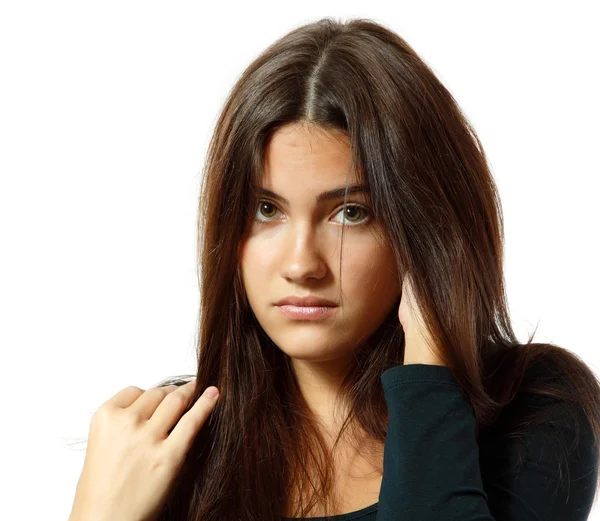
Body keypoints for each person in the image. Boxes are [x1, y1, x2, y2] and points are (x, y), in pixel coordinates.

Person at [67, 16, 600, 521]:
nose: (302, 264)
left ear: (426, 226)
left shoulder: (536, 410)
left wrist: (430, 372)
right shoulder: (172, 442)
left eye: (350, 213)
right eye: (266, 209)